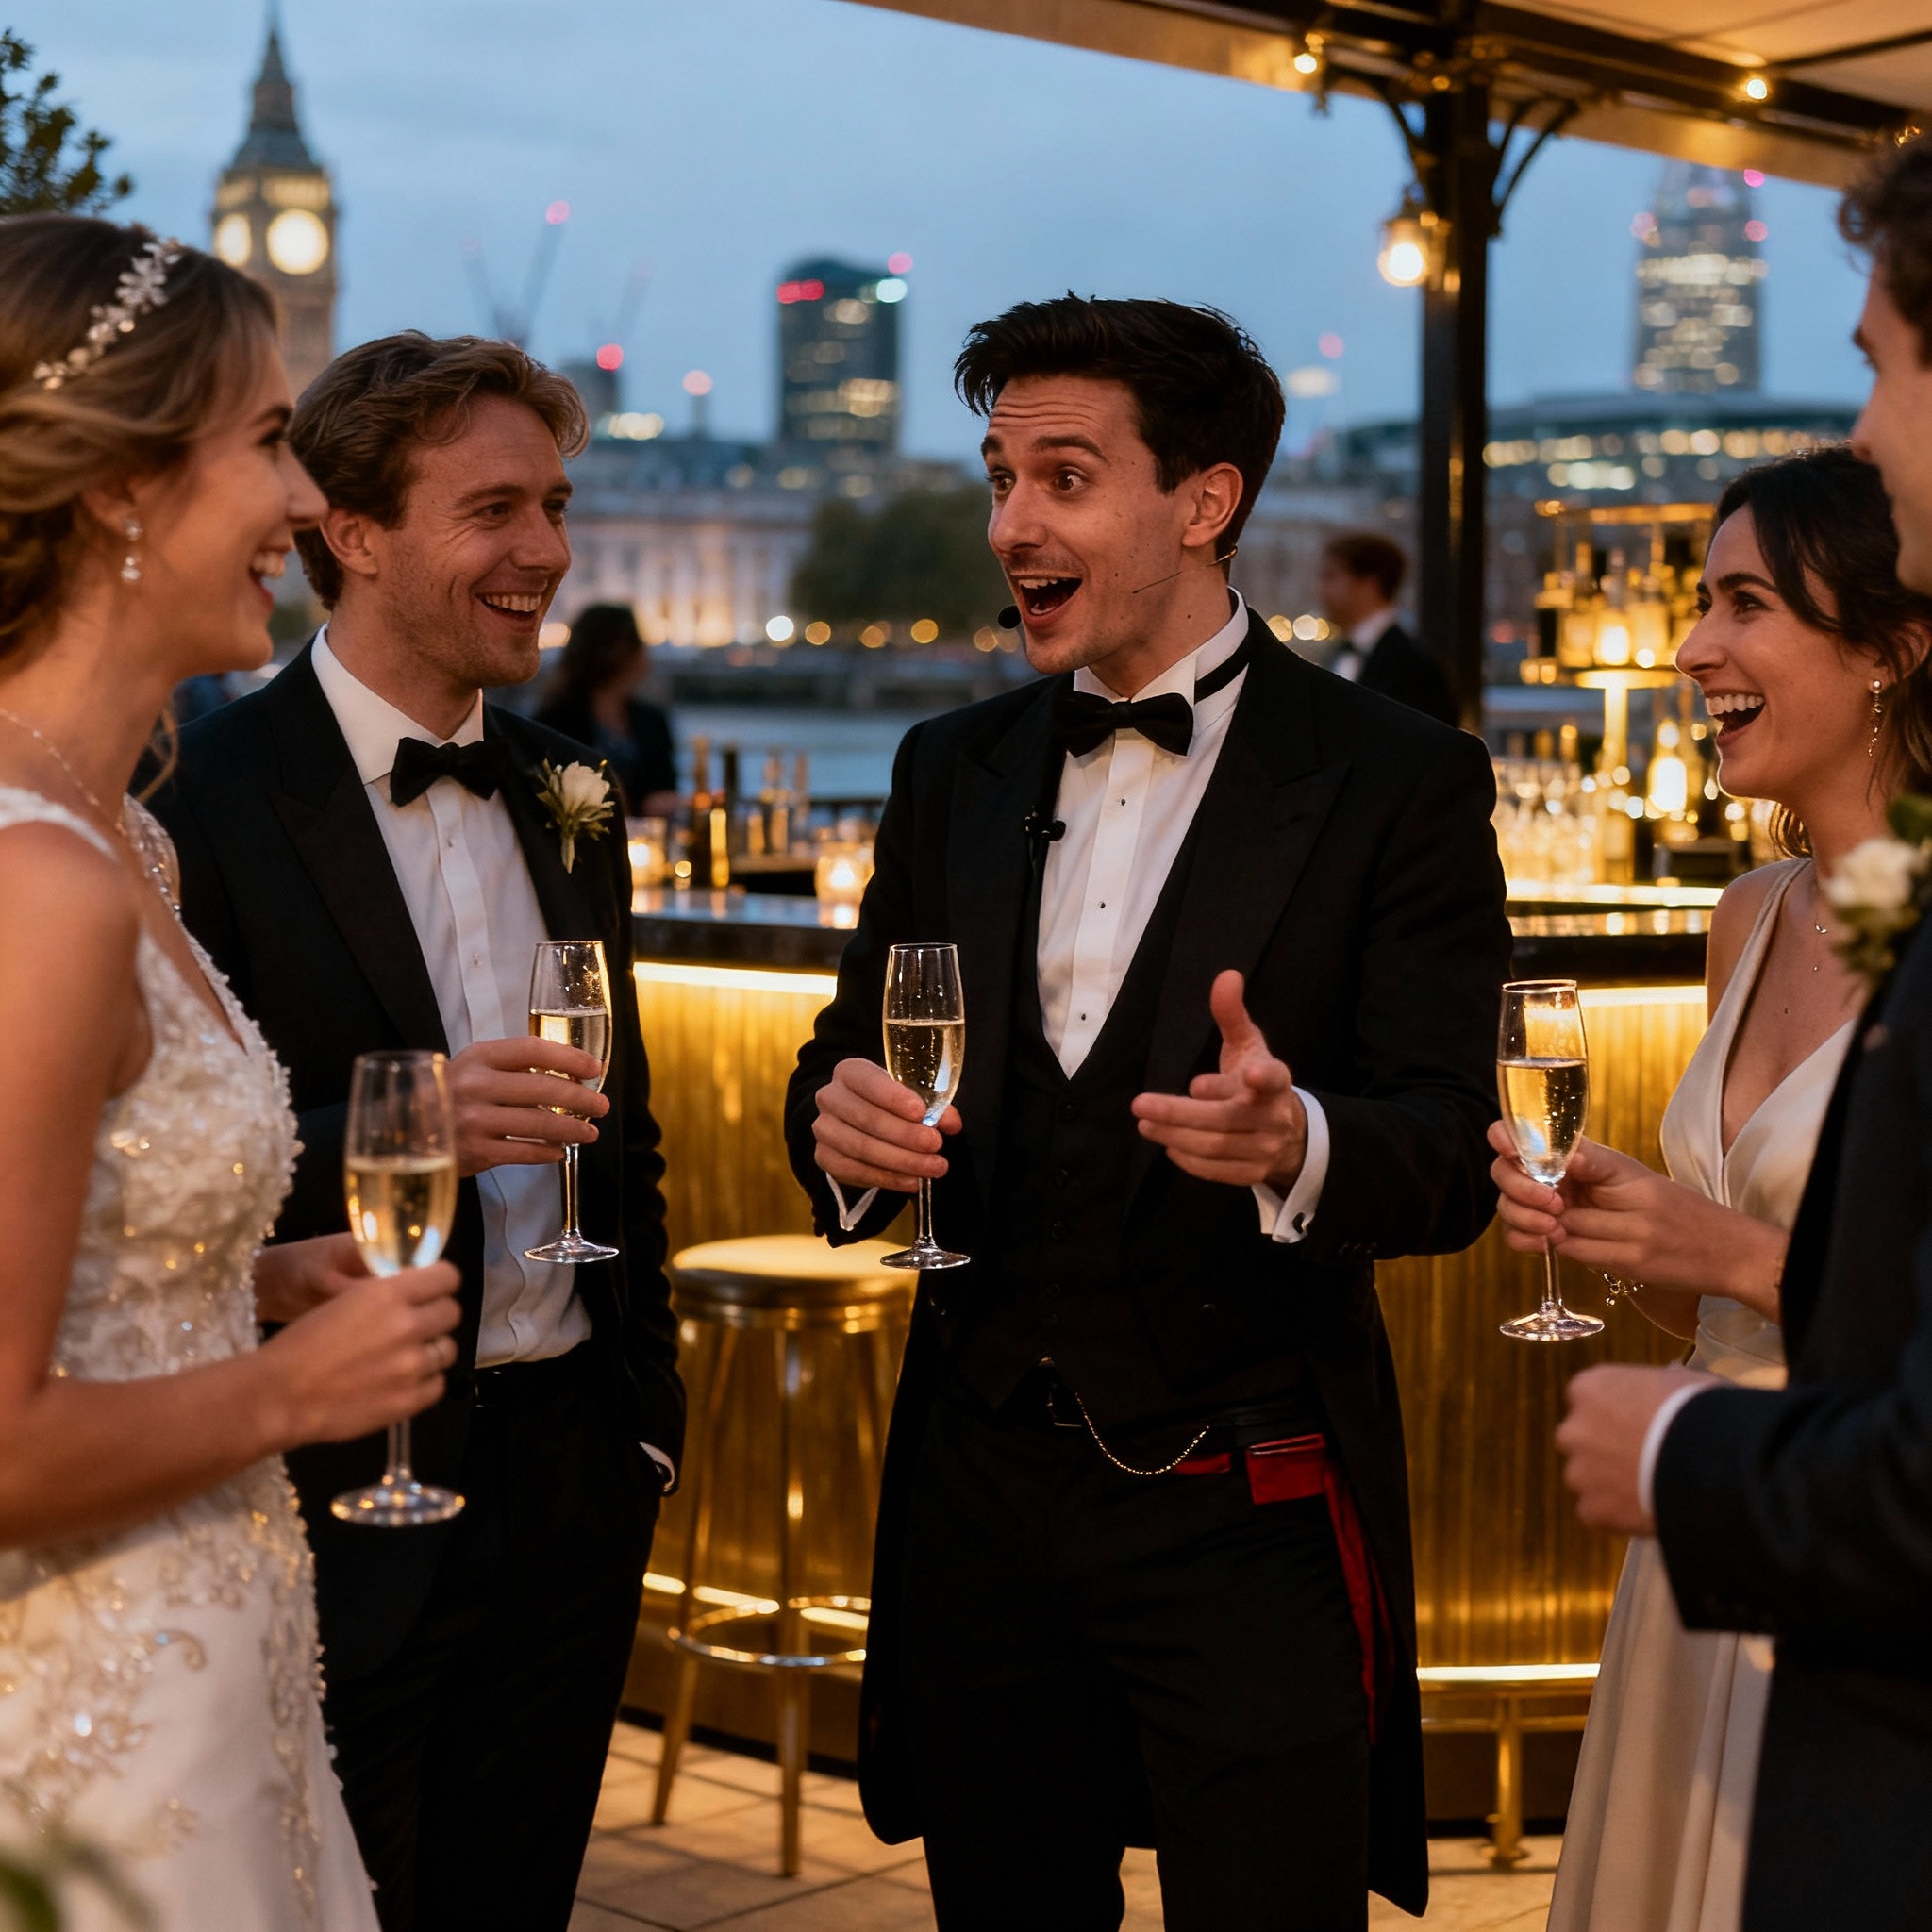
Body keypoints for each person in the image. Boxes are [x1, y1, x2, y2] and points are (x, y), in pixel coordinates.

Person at [783, 296, 1510, 1929]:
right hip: (974, 1495)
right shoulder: (940, 766)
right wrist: (841, 1138)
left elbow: (1454, 1141)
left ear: (1203, 500)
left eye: (1060, 476)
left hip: (1238, 1506)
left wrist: (1298, 1139)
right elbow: (839, 1058)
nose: (1007, 525)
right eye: (995, 477)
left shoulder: (1394, 773)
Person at [148, 332, 684, 1932]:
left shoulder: (570, 783)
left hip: (572, 1482)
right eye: (495, 509)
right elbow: (157, 1165)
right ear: (355, 532)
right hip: (337, 1492)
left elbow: (625, 1131)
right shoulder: (196, 799)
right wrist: (407, 1129)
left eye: (557, 505)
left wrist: (638, 1422)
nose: (547, 554)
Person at [0, 217, 463, 1927]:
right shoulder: (36, 881)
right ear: (123, 484)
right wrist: (293, 1390)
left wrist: (248, 1282)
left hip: (226, 1651)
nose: (300, 502)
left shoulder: (124, 833)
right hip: (83, 1710)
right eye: (267, 442)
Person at [1554, 140, 1932, 1932]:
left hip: (1848, 1555)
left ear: (1884, 651)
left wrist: (1730, 1254)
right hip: (1689, 1538)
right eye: (1695, 597)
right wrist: (1627, 1226)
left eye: (1742, 604)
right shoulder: (1746, 919)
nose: (1689, 646)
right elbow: (1715, 1270)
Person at [534, 601, 678, 815]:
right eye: (638, 644)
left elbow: (665, 786)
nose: (645, 654)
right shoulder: (554, 723)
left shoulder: (651, 720)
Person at [1316, 531, 1457, 725]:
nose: (1321, 590)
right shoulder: (1339, 653)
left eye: (1331, 577)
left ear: (1368, 585)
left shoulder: (1415, 666)